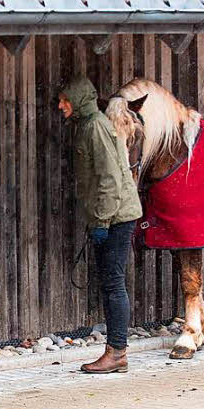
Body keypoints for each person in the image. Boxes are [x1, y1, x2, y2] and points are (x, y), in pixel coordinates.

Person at [58, 76, 143, 374]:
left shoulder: (95, 126)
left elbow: (109, 178)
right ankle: (115, 351)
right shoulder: (86, 124)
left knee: (113, 283)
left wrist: (103, 221)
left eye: (65, 100)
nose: (60, 105)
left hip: (117, 216)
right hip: (109, 215)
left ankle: (117, 352)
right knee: (110, 282)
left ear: (78, 100)